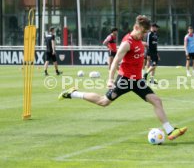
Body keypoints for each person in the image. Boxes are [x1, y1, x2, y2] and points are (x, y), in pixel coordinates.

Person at [58, 15, 187, 140]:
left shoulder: (138, 40)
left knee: (157, 101)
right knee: (103, 102)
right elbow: (115, 61)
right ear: (136, 27)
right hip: (125, 80)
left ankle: (170, 130)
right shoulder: (127, 43)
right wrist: (110, 79)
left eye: (146, 33)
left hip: (137, 81)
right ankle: (73, 93)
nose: (144, 35)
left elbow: (139, 46)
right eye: (143, 32)